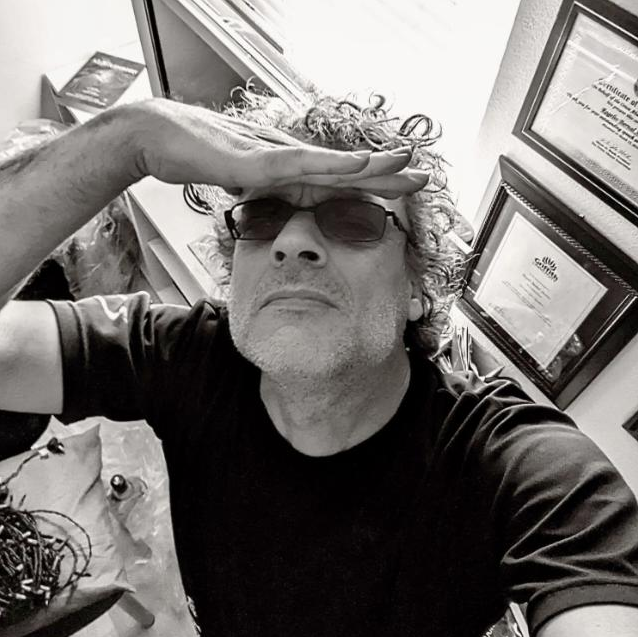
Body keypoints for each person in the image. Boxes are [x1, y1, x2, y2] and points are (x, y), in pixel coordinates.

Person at [1, 89, 637, 637]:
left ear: (417, 289)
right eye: (264, 215)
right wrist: (125, 140)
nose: (292, 241)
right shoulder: (182, 356)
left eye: (353, 219)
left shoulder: (516, 464)